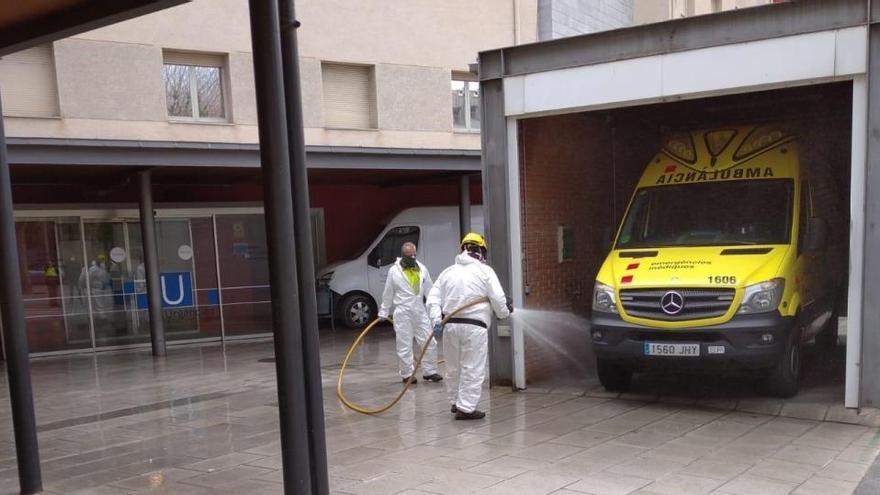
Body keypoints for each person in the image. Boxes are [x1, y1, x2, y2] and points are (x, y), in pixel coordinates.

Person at [426, 232, 513, 420]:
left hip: (450, 325)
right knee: (472, 367)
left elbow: (432, 299)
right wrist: (504, 313)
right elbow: (498, 299)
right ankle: (466, 408)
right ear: (482, 250)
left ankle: (455, 402)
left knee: (453, 367)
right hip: (475, 327)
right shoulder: (485, 271)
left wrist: (435, 320)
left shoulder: (447, 272)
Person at [377, 242, 443, 383]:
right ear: (403, 255)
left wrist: (436, 311)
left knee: (429, 341)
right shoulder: (394, 271)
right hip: (403, 312)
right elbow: (388, 291)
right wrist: (384, 309)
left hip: (420, 310)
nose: (412, 257)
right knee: (404, 345)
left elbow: (430, 291)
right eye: (409, 255)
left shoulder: (421, 269)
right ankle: (407, 374)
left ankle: (430, 371)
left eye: (414, 255)